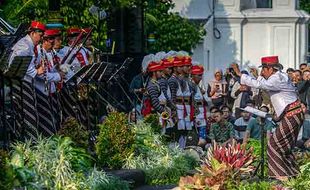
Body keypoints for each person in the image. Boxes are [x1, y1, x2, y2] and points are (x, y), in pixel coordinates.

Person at [232, 55, 305, 181]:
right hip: (293, 114)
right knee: (284, 146)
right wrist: (256, 76)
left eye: (264, 70)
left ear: (270, 69)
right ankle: (293, 175)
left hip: (292, 114)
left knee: (273, 145)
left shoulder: (276, 78)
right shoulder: (279, 76)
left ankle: (282, 177)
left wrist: (240, 74)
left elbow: (262, 85)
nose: (262, 72)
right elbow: (263, 84)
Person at [9, 20, 46, 140]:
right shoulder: (24, 45)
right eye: (40, 35)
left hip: (26, 83)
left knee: (30, 114)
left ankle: (30, 141)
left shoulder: (30, 45)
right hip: (21, 83)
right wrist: (36, 71)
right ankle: (29, 142)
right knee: (28, 116)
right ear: (33, 33)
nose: (40, 39)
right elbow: (18, 63)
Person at [35, 29, 63, 136]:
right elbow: (41, 74)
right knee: (47, 121)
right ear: (44, 40)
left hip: (52, 90)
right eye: (51, 41)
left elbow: (52, 69)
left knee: (56, 118)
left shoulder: (50, 53)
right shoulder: (38, 52)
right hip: (41, 92)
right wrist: (57, 76)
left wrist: (61, 70)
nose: (53, 43)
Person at [191, 64, 208, 147]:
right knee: (197, 139)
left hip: (201, 115)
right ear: (193, 75)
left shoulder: (197, 86)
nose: (201, 77)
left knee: (203, 139)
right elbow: (191, 101)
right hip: (196, 115)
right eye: (199, 75)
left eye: (201, 75)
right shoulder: (191, 85)